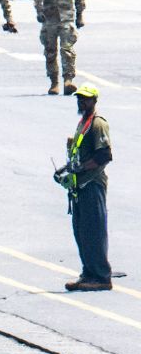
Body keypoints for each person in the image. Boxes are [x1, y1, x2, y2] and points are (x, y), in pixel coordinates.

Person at [54, 85, 113, 291]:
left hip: (92, 184)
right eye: (79, 98)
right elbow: (79, 154)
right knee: (82, 231)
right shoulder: (83, 123)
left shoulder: (97, 124)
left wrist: (82, 168)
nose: (82, 102)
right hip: (79, 185)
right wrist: (65, 170)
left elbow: (104, 155)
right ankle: (88, 273)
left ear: (94, 101)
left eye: (86, 99)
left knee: (94, 230)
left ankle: (101, 277)